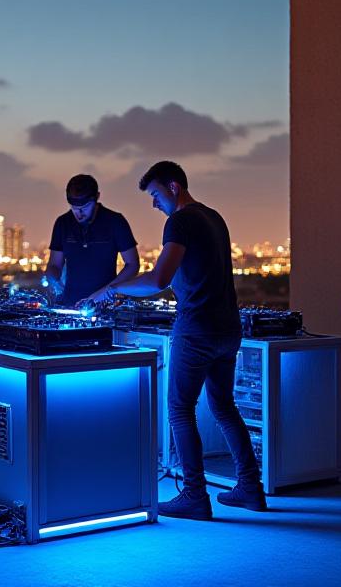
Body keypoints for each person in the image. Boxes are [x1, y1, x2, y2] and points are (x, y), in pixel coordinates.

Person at [83, 160, 265, 520]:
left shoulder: (179, 221)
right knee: (225, 407)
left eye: (154, 194)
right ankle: (250, 488)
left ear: (173, 187)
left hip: (197, 329)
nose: (153, 203)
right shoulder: (214, 217)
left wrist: (111, 290)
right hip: (227, 327)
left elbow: (159, 278)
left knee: (180, 410)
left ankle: (195, 496)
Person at [43, 174, 138, 307]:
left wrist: (107, 291)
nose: (79, 213)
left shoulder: (115, 222)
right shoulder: (62, 223)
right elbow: (54, 264)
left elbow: (133, 264)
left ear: (97, 197)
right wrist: (53, 280)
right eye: (74, 208)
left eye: (85, 207)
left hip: (105, 304)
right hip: (70, 305)